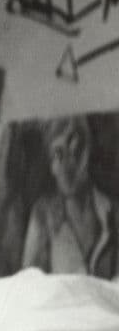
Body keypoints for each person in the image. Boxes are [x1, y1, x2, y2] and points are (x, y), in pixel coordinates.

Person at [21, 115, 117, 279]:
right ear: (51, 166)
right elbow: (29, 285)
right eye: (58, 154)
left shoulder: (112, 212)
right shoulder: (43, 216)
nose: (68, 164)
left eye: (76, 152)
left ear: (88, 154)